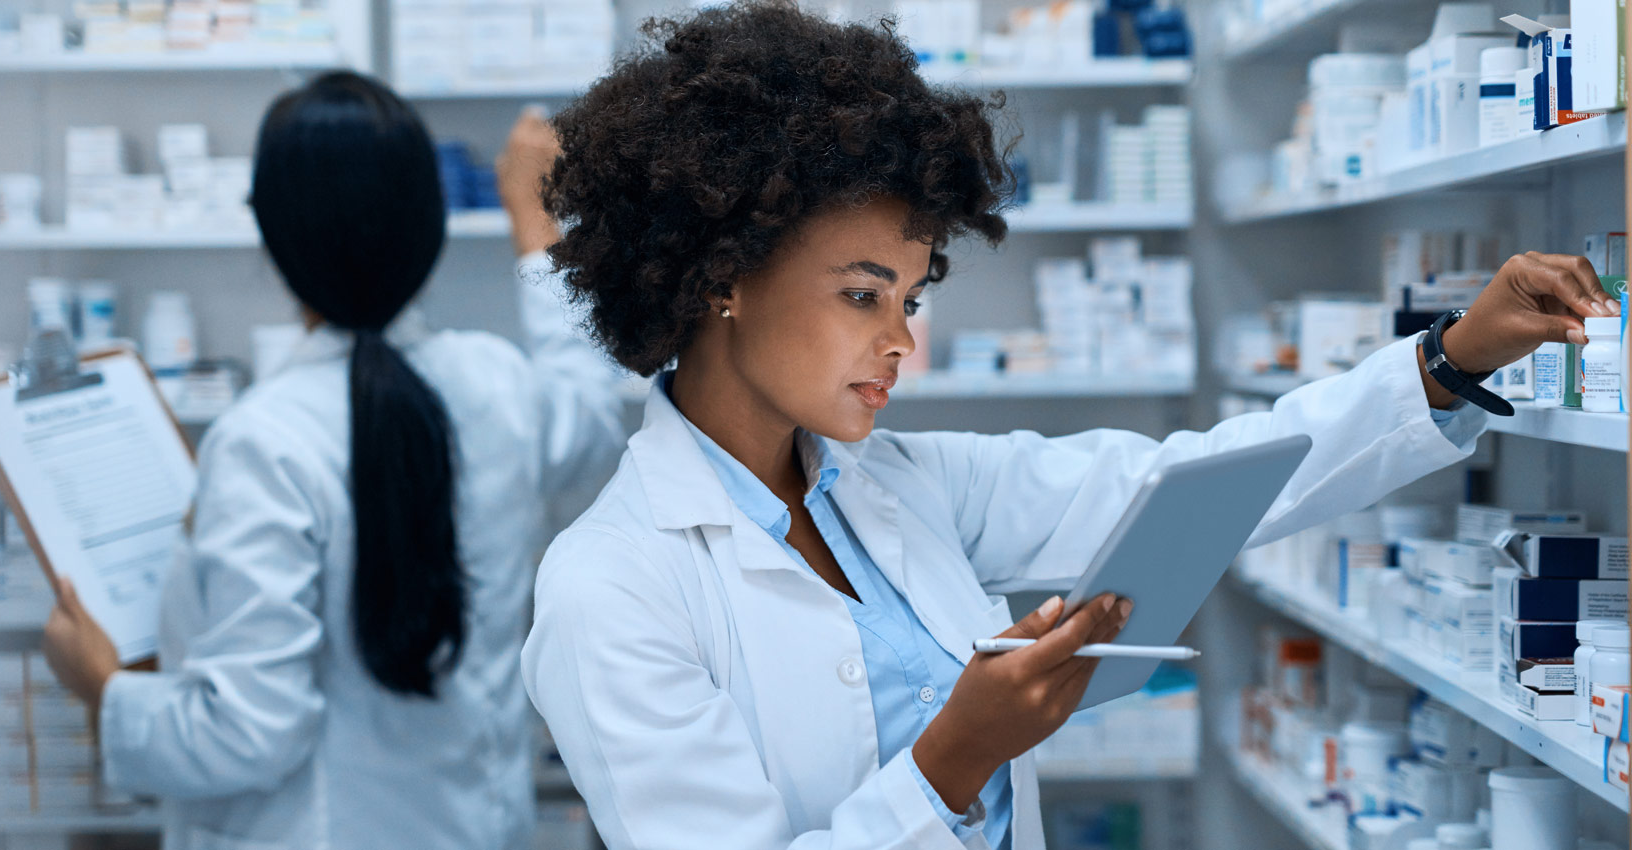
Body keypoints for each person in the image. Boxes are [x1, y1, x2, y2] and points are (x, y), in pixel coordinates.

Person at [517, 4, 1617, 849]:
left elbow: (1201, 481)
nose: (899, 341)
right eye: (861, 295)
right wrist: (955, 758)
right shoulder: (609, 587)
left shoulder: (894, 485)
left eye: (910, 299)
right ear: (721, 276)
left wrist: (1449, 357)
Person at [38, 71, 625, 850]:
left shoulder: (265, 440)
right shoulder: (498, 387)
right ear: (428, 224)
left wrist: (102, 687)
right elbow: (593, 407)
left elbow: (248, 734)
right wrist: (534, 218)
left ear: (274, 236)